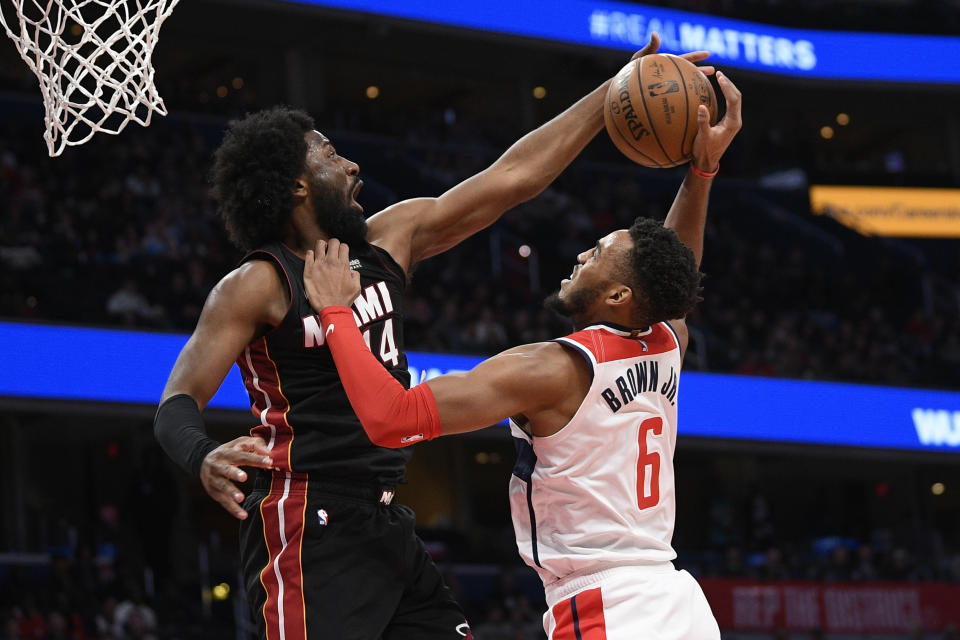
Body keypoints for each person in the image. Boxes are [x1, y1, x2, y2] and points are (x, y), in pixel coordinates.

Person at [153, 35, 714, 640]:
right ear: (295, 185)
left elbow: (515, 177)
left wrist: (613, 94)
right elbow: (177, 400)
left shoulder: (390, 236)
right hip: (303, 517)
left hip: (385, 515)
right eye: (330, 154)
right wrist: (201, 454)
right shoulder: (257, 285)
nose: (351, 164)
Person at [300, 70, 741, 639]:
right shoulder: (663, 342)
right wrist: (701, 172)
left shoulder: (552, 370)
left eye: (601, 251)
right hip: (678, 601)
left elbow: (392, 419)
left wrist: (337, 314)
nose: (585, 251)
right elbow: (676, 268)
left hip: (607, 606)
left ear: (619, 296)